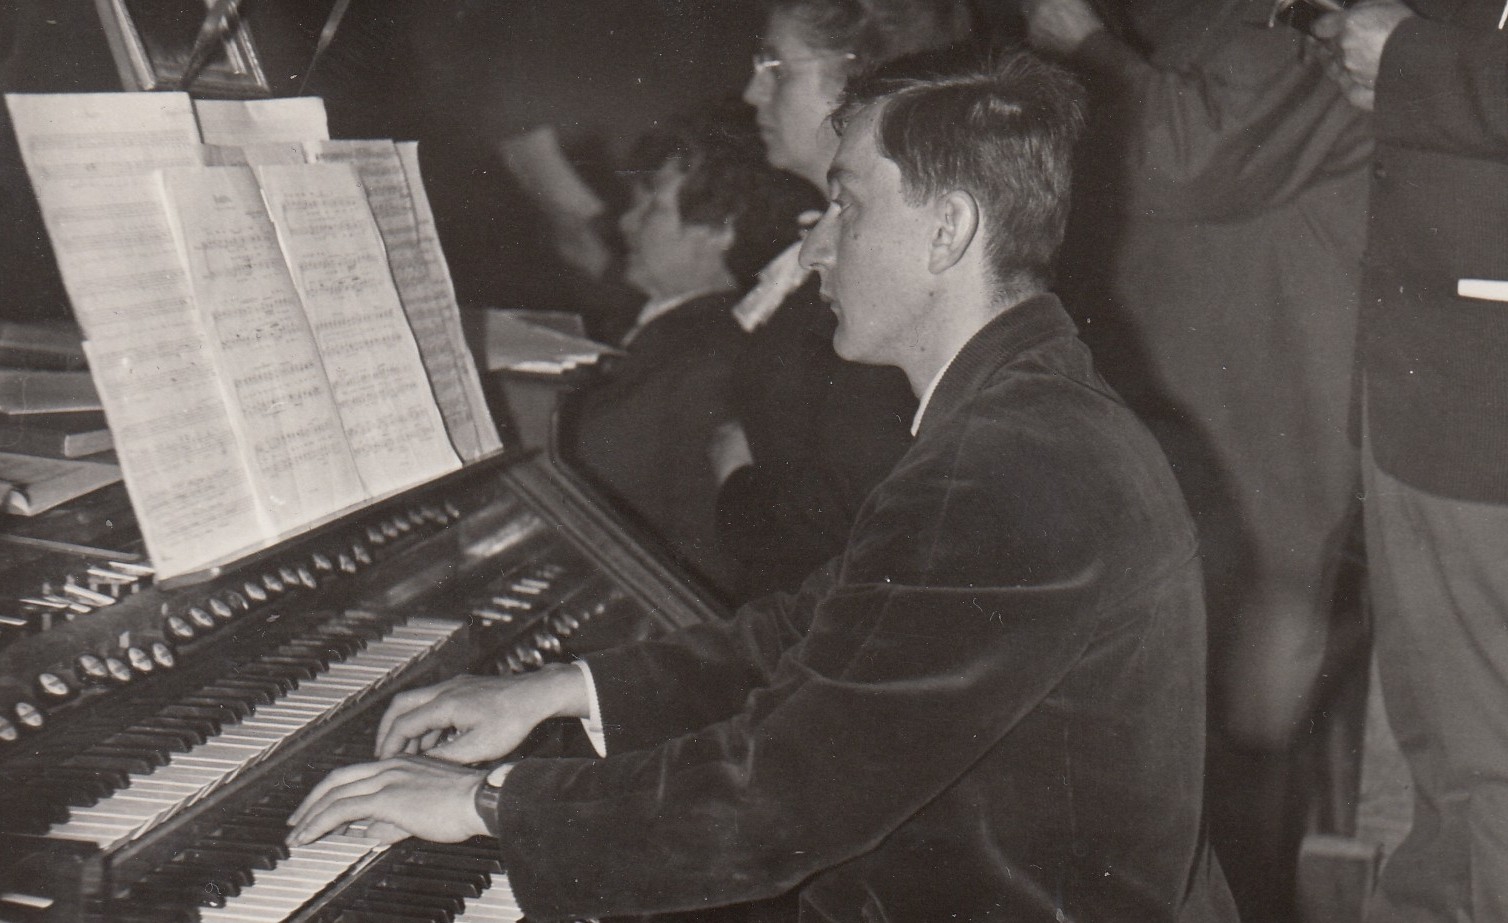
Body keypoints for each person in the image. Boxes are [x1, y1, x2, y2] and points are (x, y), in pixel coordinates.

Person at [286, 51, 1239, 923]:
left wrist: (488, 802)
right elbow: (818, 631)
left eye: (846, 206)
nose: (816, 248)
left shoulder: (1000, 462)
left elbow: (780, 803)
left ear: (948, 231)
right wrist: (561, 690)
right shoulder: (1027, 405)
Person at [1024, 1, 1373, 917]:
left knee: (1236, 731)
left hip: (1263, 436)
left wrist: (1084, 45)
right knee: (1152, 717)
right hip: (1187, 411)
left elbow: (1187, 160)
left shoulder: (1314, 26)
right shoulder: (1202, 20)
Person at [1308, 3, 1508, 921]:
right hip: (1427, 381)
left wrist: (1405, 55)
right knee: (1445, 761)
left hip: (1482, 398)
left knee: (1489, 759)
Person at [711, 0, 971, 601]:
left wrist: (737, 486)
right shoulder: (826, 247)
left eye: (777, 68)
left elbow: (860, 539)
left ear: (863, 82)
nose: (752, 93)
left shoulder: (887, 277)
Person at [562, 101, 822, 603]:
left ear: (720, 230)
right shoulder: (670, 330)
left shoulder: (711, 358)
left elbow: (609, 481)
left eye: (652, 207)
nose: (627, 223)